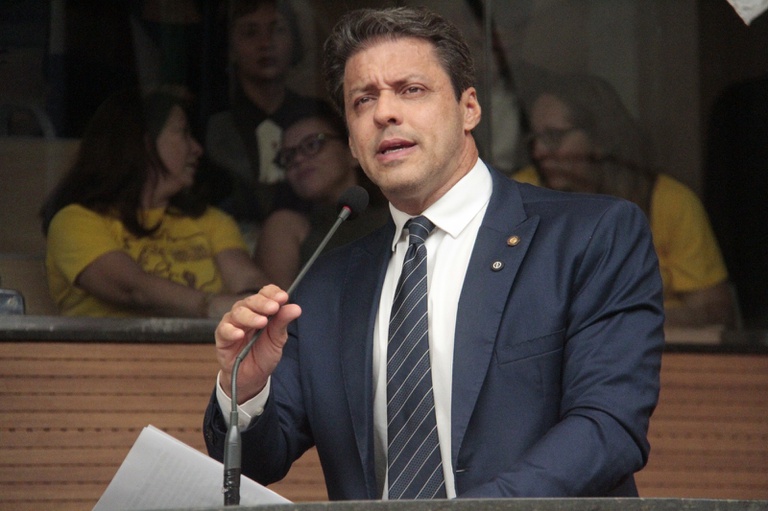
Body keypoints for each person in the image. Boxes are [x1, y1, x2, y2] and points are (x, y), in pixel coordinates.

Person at [204, 6, 664, 500]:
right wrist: (245, 388)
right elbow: (258, 462)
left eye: (411, 90)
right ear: (353, 143)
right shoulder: (326, 284)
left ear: (469, 109)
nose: (384, 113)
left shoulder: (591, 237)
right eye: (363, 100)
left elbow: (608, 426)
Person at [514, 72, 735, 329]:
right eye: (534, 139)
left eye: (554, 137)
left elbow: (714, 309)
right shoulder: (520, 195)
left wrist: (620, 322)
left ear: (599, 138)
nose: (539, 152)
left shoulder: (670, 201)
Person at [41, 88, 268, 318]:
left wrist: (258, 303)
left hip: (205, 342)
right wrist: (211, 306)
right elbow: (131, 289)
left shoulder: (210, 220)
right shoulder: (74, 222)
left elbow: (247, 279)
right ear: (142, 143)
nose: (197, 149)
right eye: (183, 133)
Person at [204, 0, 324, 248]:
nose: (266, 43)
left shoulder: (317, 117)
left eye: (277, 30)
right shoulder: (215, 128)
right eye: (250, 32)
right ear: (230, 48)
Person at [254, 102, 389, 289]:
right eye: (288, 156)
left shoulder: (397, 211)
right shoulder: (286, 226)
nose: (298, 159)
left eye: (312, 144)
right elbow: (277, 304)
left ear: (352, 151)